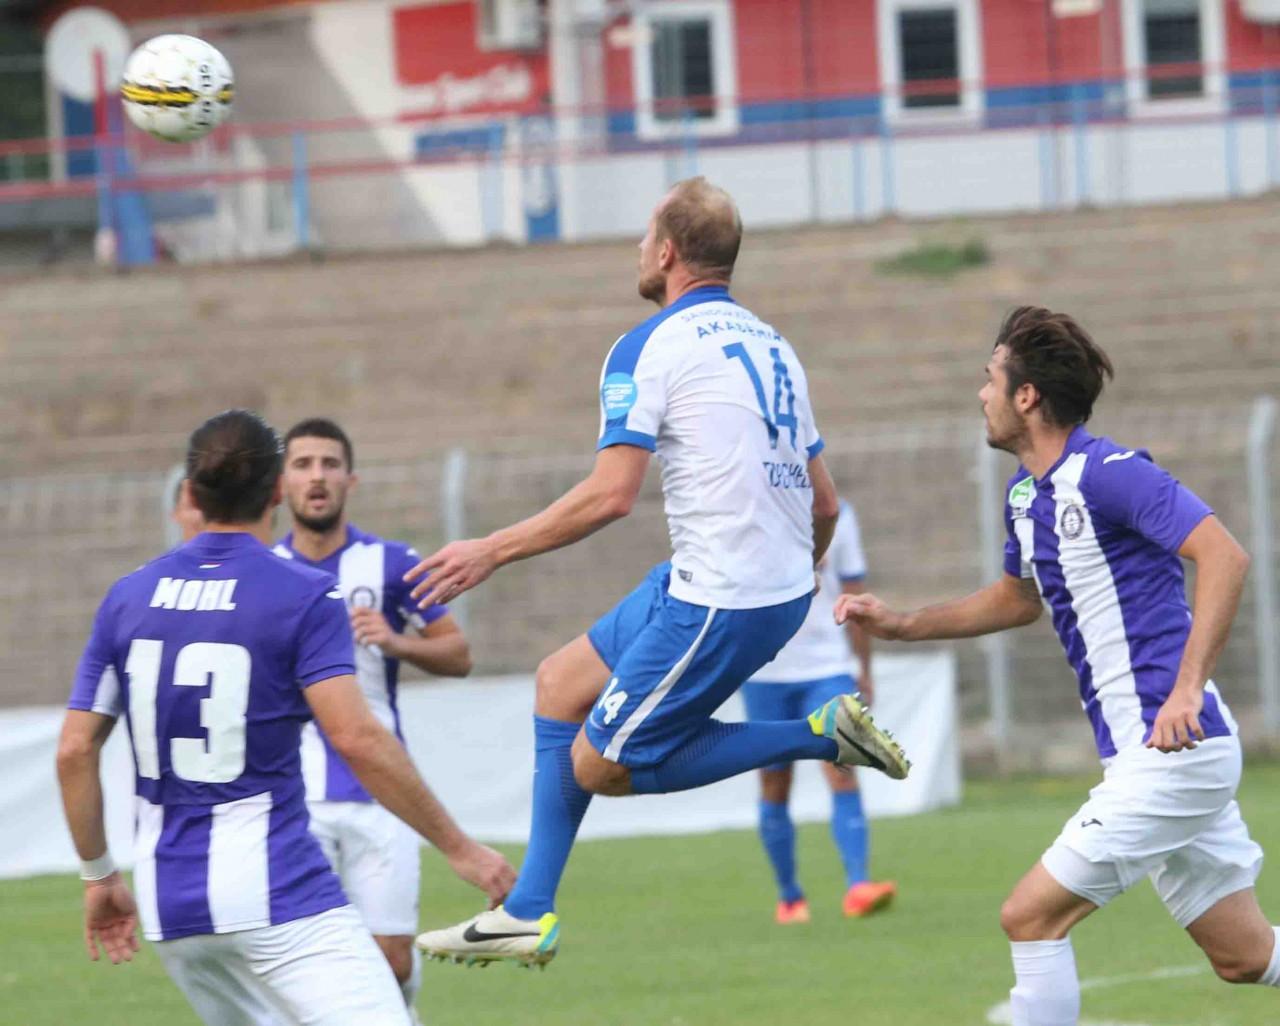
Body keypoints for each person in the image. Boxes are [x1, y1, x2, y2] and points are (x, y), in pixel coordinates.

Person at [407, 177, 909, 968]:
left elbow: (611, 495)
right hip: (737, 583)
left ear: (668, 251)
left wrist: (490, 549)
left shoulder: (650, 344)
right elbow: (824, 503)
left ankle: (818, 736)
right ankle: (527, 910)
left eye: (645, 237)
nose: (638, 250)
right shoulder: (774, 346)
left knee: (599, 766)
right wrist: (798, 576)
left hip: (720, 597)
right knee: (558, 685)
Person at [836, 307, 1280, 1025]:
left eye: (990, 379)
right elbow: (1017, 600)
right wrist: (903, 624)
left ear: (1026, 396)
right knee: (1245, 957)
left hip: (1173, 752)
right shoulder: (1025, 498)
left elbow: (1223, 555)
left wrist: (1187, 688)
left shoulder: (1109, 474)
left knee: (1030, 916)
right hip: (1152, 757)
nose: (981, 394)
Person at [56, 409, 514, 1026]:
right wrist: (460, 849)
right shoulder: (302, 594)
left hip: (170, 902)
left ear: (190, 493)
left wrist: (98, 877)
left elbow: (74, 750)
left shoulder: (127, 597)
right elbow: (355, 736)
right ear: (277, 489)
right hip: (275, 889)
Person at [273, 417, 473, 1015]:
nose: (317, 477)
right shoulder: (265, 574)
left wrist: (395, 641)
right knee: (305, 959)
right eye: (303, 464)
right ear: (281, 483)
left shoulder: (389, 564)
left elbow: (458, 653)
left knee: (391, 960)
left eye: (329, 464)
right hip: (295, 796)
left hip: (381, 791)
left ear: (350, 480)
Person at [741, 497, 895, 924]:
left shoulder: (838, 513)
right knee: (775, 781)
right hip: (765, 671)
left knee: (842, 766)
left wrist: (863, 667)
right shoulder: (749, 507)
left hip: (827, 667)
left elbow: (853, 594)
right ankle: (790, 896)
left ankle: (858, 886)